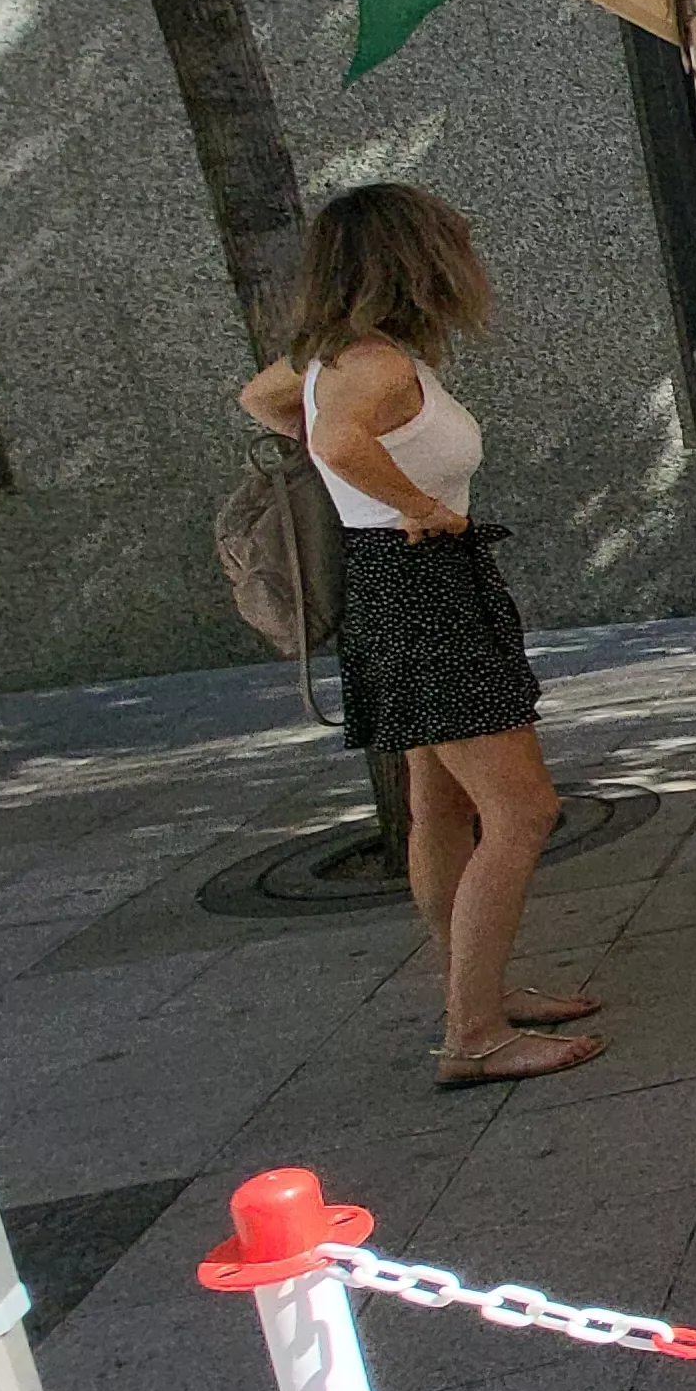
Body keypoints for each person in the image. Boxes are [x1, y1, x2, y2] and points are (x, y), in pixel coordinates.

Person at [235, 186, 596, 1088]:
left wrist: (372, 495)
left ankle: (474, 993)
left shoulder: (331, 357)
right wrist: (412, 502)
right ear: (413, 260)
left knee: (441, 807)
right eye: (453, 240)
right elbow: (336, 436)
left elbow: (267, 401)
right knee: (523, 810)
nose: (469, 252)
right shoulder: (375, 367)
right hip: (422, 583)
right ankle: (474, 1033)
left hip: (401, 585)